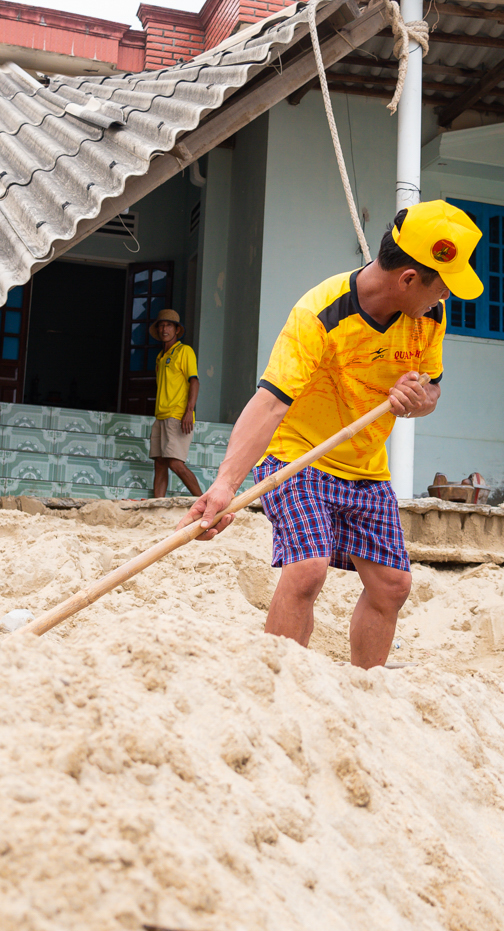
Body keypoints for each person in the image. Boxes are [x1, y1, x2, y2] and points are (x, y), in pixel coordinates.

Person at [185, 201, 483, 669]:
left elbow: (432, 391)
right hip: (297, 457)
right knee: (307, 570)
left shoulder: (430, 317)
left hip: (366, 467)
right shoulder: (319, 314)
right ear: (409, 278)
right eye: (442, 284)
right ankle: (276, 681)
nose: (445, 295)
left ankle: (365, 689)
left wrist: (417, 399)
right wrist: (224, 487)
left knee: (392, 585)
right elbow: (269, 403)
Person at [148, 308, 203, 500]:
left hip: (177, 416)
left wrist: (189, 411)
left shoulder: (184, 351)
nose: (165, 329)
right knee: (160, 463)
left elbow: (194, 381)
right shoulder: (160, 357)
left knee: (175, 463)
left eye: (169, 325)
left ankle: (204, 502)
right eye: (161, 325)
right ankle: (157, 505)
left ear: (177, 330)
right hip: (161, 416)